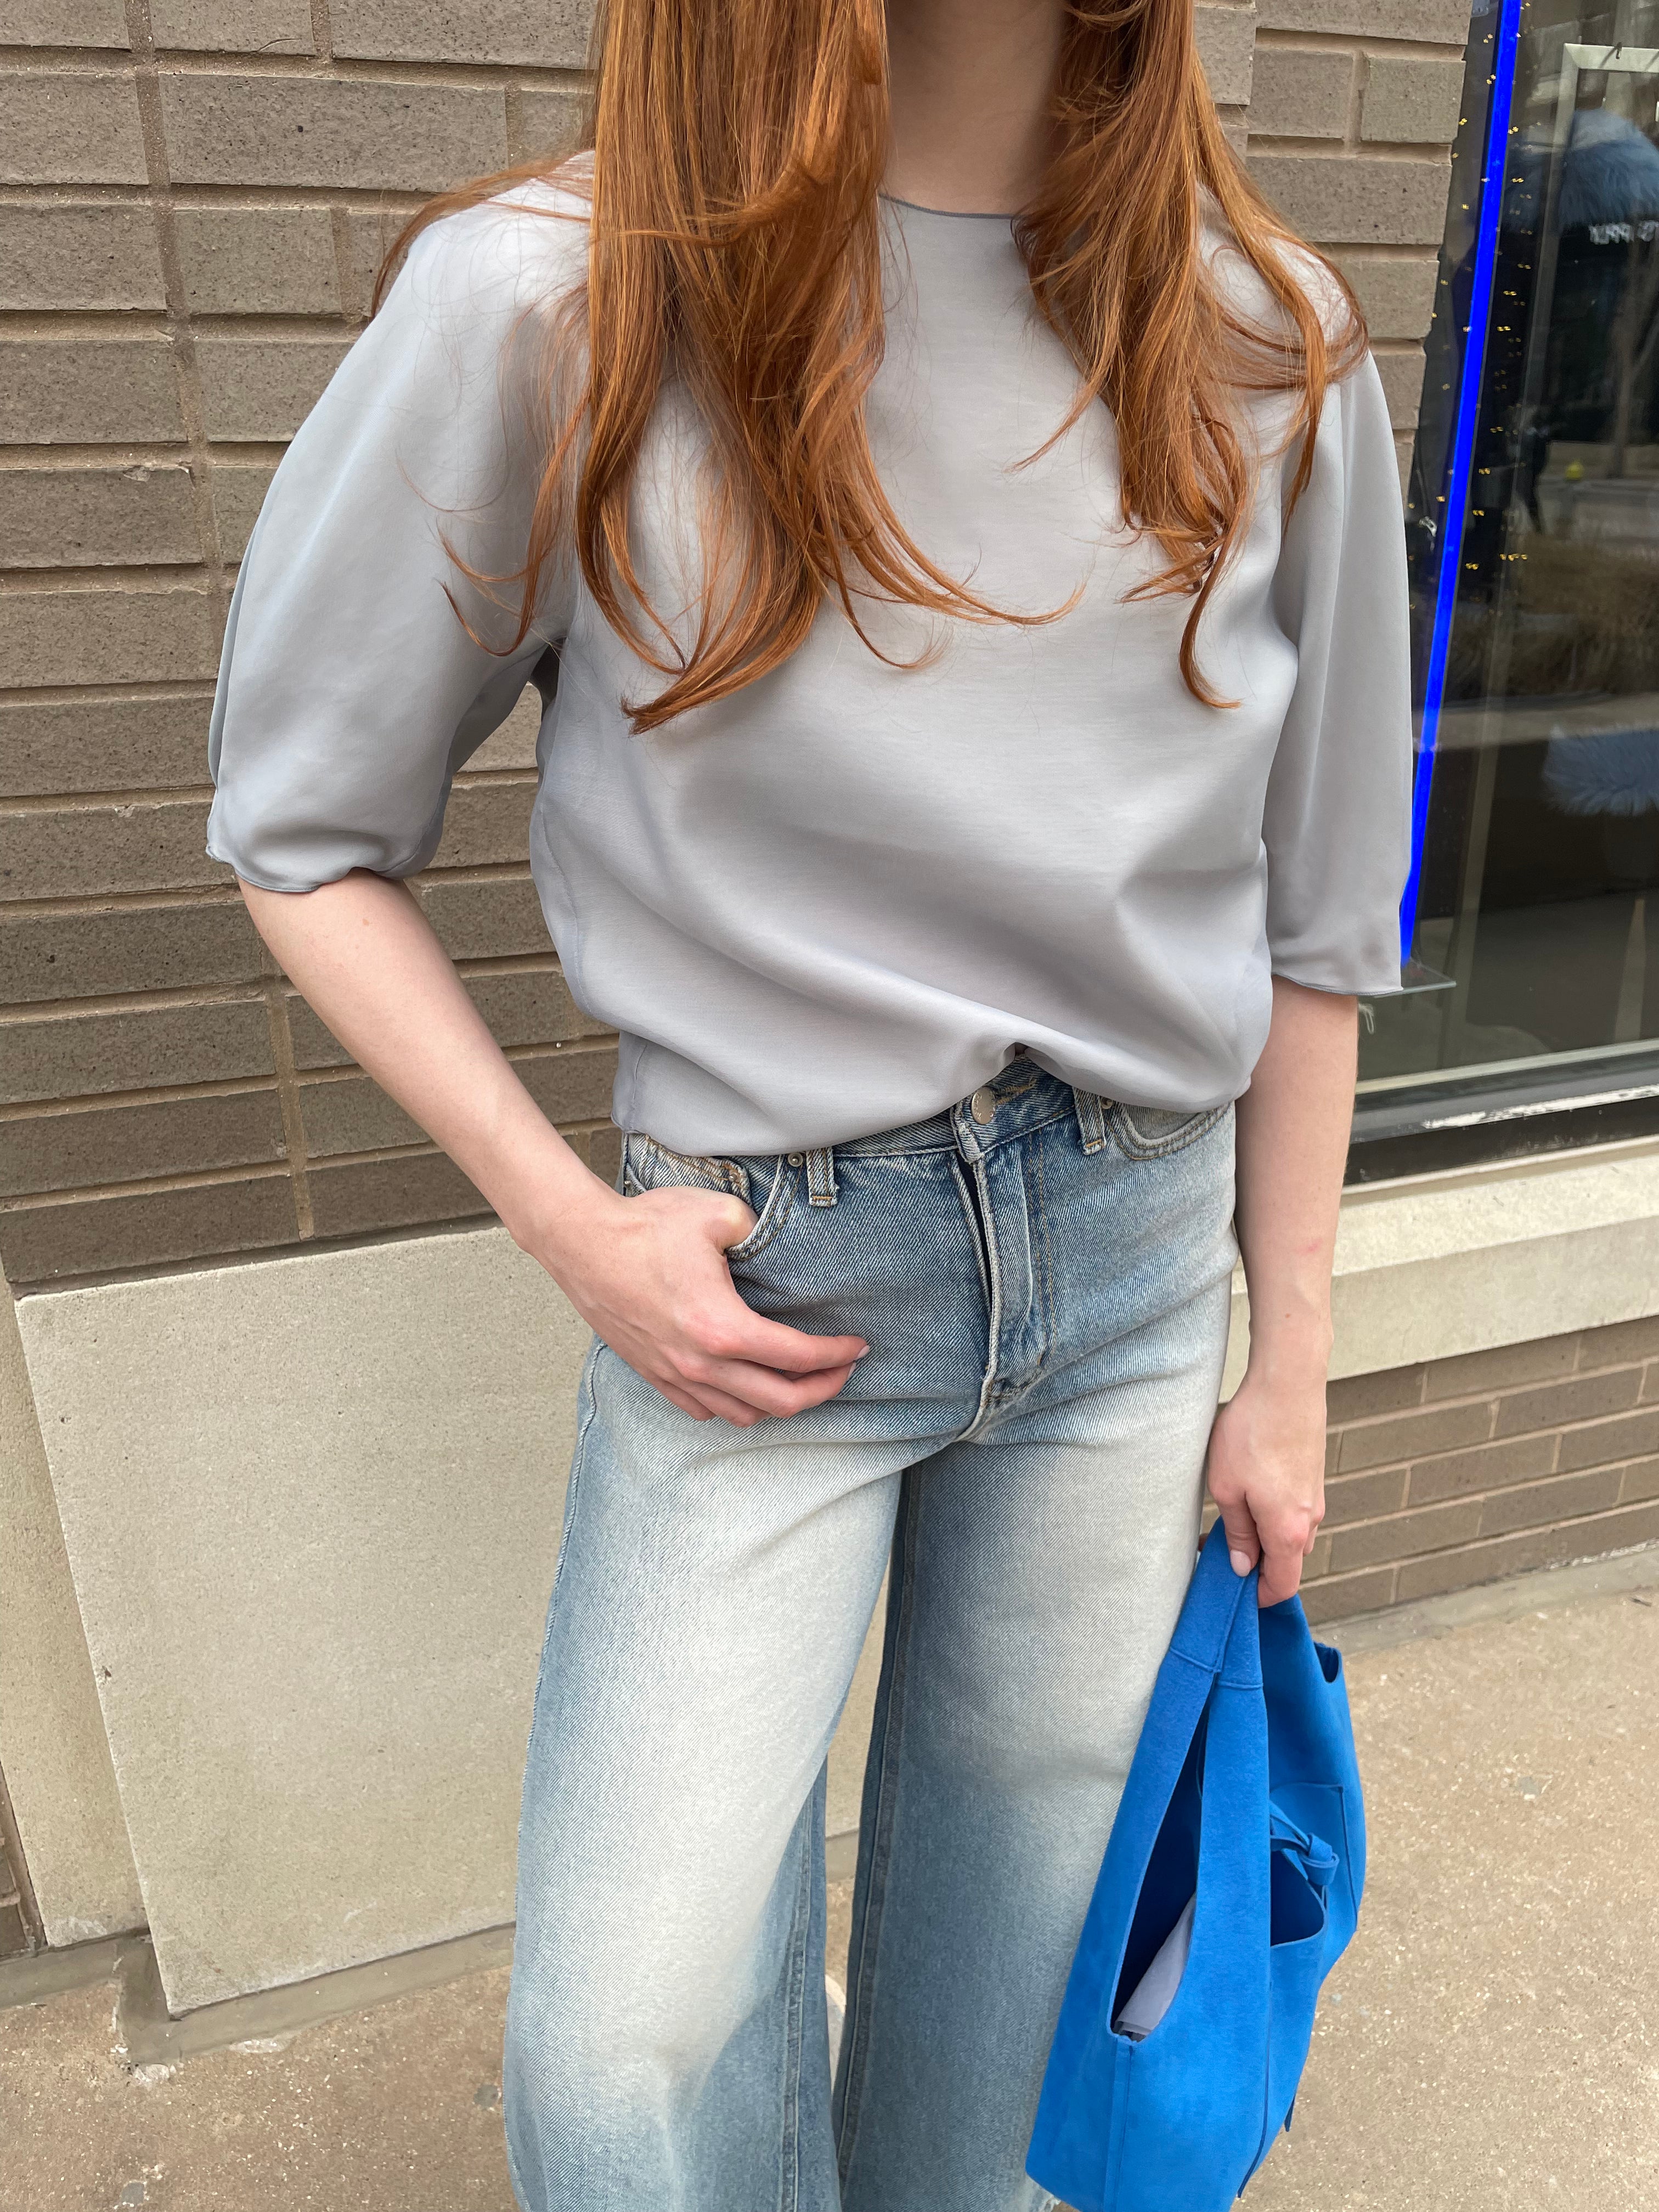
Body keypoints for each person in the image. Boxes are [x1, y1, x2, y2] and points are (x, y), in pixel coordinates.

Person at [205, 1, 1410, 2205]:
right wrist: (566, 1221)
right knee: (628, 2044)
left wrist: (1297, 1355)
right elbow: (303, 826)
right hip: (764, 1286)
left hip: (1136, 1272)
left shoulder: (1270, 340)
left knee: (1011, 1995)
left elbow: (1319, 923)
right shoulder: (558, 301)